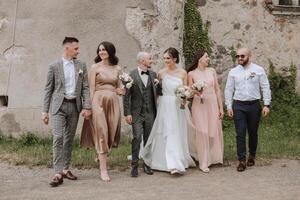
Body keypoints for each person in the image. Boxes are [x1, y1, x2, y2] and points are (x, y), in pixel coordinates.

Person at [41, 37, 91, 187]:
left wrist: (87, 106)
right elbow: (48, 89)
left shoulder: (81, 65)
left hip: (74, 106)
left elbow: (86, 87)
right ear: (67, 48)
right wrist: (44, 111)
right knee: (58, 137)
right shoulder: (54, 66)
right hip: (58, 107)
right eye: (76, 48)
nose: (78, 51)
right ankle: (57, 173)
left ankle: (65, 169)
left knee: (69, 139)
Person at [141, 47, 195, 175]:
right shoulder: (160, 73)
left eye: (168, 58)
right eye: (164, 58)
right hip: (164, 105)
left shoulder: (183, 73)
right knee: (165, 131)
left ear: (175, 59)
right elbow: (157, 92)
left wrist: (184, 99)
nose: (166, 60)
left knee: (176, 131)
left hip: (177, 106)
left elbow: (186, 91)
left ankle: (176, 160)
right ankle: (168, 163)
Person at [80, 41, 124, 181]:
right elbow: (90, 88)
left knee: (111, 133)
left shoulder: (117, 68)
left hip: (113, 103)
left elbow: (120, 88)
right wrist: (88, 107)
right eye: (99, 50)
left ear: (110, 51)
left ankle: (101, 155)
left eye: (104, 50)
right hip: (97, 102)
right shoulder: (95, 67)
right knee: (102, 133)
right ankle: (103, 170)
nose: (101, 52)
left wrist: (121, 90)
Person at [224, 47, 271, 172]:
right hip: (238, 105)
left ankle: (252, 155)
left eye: (242, 56)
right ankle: (241, 160)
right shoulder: (233, 72)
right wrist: (228, 106)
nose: (239, 58)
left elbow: (265, 86)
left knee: (253, 132)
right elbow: (229, 89)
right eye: (238, 56)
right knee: (240, 133)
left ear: (249, 56)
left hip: (254, 105)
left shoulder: (258, 70)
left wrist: (266, 104)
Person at [187, 49, 224, 173]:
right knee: (202, 132)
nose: (208, 59)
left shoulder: (211, 71)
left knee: (212, 131)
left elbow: (217, 90)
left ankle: (213, 157)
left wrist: (221, 107)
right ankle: (203, 162)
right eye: (206, 57)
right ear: (200, 59)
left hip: (212, 104)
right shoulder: (191, 74)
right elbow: (189, 94)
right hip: (199, 105)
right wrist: (196, 91)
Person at [123, 52, 157, 177]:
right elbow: (126, 96)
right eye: (149, 59)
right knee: (137, 137)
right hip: (136, 113)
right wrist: (127, 113)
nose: (151, 61)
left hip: (151, 112)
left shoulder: (153, 75)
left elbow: (158, 92)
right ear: (142, 61)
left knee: (148, 139)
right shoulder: (131, 75)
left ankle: (147, 165)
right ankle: (134, 165)